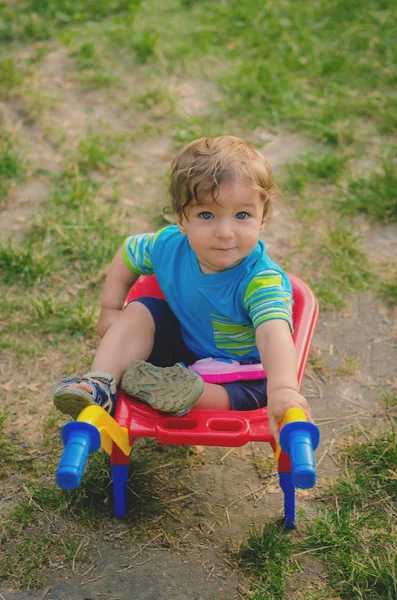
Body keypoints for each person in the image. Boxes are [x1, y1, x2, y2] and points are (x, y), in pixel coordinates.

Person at [54, 136, 312, 441]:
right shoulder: (168, 247)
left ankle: (184, 391)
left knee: (256, 392)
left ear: (263, 218)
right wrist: (111, 308)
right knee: (139, 310)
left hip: (244, 368)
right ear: (181, 218)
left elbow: (272, 333)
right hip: (187, 346)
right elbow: (129, 253)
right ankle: (100, 384)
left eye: (242, 215)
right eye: (206, 215)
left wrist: (283, 389)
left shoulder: (261, 280)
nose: (225, 232)